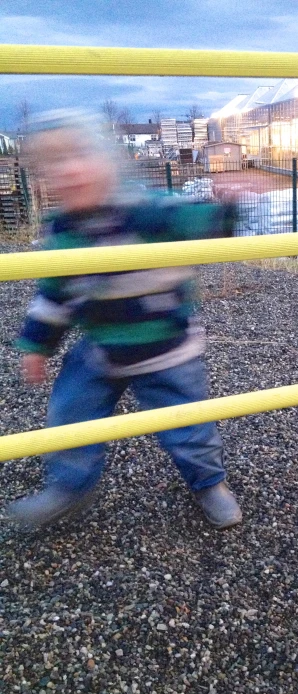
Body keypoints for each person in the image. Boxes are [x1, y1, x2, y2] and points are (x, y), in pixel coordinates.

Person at [4, 110, 242, 531]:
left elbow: (196, 221)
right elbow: (55, 295)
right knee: (69, 417)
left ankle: (209, 482)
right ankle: (69, 485)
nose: (68, 170)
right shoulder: (63, 232)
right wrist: (36, 344)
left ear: (108, 160)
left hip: (168, 348)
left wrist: (224, 208)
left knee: (187, 424)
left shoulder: (146, 210)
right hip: (100, 348)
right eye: (52, 164)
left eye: (79, 155)